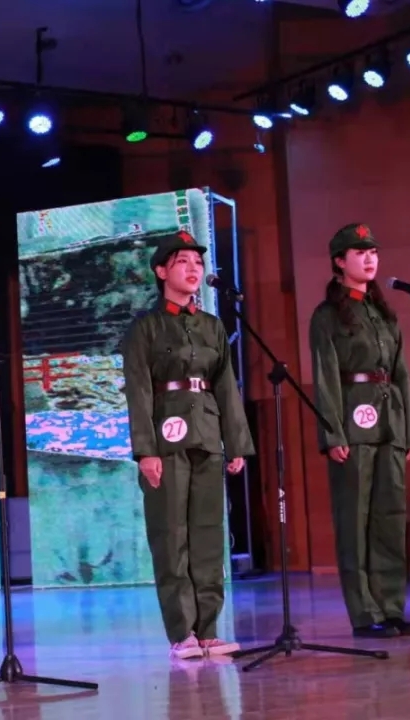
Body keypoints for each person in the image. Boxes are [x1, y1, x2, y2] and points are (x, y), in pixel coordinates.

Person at [121, 230, 255, 660]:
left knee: (208, 536)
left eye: (198, 262)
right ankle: (182, 633)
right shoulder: (145, 327)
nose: (193, 269)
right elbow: (139, 391)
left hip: (207, 434)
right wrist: (146, 451)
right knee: (171, 536)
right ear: (162, 271)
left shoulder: (212, 326)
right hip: (166, 437)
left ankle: (209, 629)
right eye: (182, 262)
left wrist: (236, 444)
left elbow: (226, 389)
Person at [308, 222, 410, 639]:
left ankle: (391, 607)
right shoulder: (326, 316)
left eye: (373, 251)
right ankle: (364, 613)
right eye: (359, 253)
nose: (370, 259)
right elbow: (324, 378)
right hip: (352, 424)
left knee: (389, 519)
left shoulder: (383, 312)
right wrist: (333, 434)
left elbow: (402, 374)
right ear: (339, 262)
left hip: (390, 423)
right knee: (354, 521)